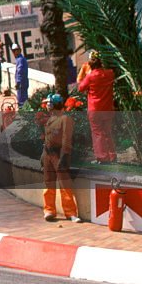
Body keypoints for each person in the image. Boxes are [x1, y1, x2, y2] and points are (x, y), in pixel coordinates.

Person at [41, 94, 81, 222]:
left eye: (49, 103)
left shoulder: (65, 119)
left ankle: (71, 213)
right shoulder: (50, 119)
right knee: (49, 184)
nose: (47, 105)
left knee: (65, 185)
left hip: (59, 155)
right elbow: (47, 140)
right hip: (48, 154)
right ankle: (49, 210)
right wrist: (43, 156)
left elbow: (66, 139)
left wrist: (64, 157)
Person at [77, 50, 117, 163]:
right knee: (108, 132)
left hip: (95, 109)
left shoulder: (90, 77)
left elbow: (80, 88)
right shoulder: (110, 73)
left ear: (91, 65)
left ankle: (102, 157)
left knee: (98, 133)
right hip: (108, 108)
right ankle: (113, 155)